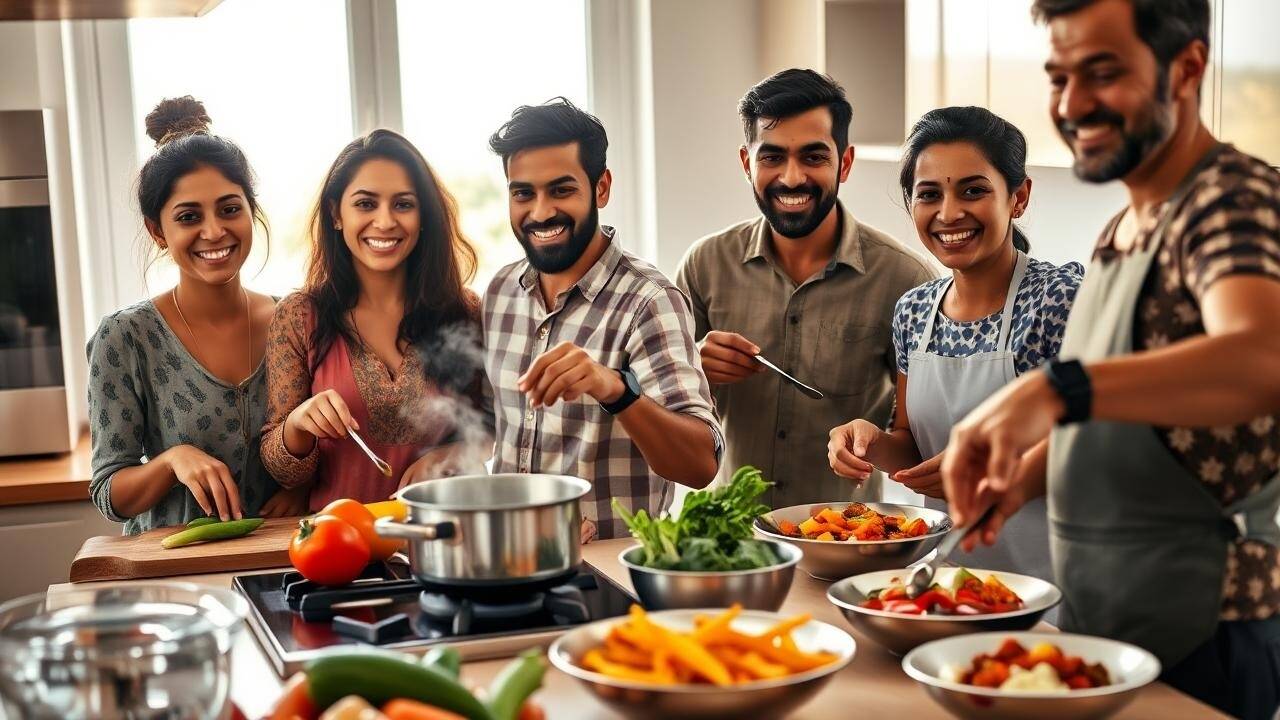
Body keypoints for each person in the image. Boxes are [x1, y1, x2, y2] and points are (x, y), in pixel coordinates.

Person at [941, 1, 1280, 717]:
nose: (1071, 104)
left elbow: (1261, 357)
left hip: (1209, 625)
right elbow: (1127, 415)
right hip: (1111, 617)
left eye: (1102, 73)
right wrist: (1025, 477)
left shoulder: (1229, 200)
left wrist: (1054, 390)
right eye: (1059, 76)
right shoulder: (1121, 229)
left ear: (1186, 69)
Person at [826, 107, 1082, 582]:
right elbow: (914, 451)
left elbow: (1096, 445)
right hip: (948, 581)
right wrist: (871, 441)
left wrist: (986, 472)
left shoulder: (1058, 299)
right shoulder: (914, 311)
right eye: (929, 195)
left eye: (973, 190)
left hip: (1054, 582)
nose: (949, 213)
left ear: (1019, 196)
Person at [675, 69, 934, 509]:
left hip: (844, 541)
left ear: (844, 163)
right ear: (746, 163)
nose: (792, 178)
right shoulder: (704, 265)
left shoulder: (907, 281)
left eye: (813, 157)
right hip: (726, 544)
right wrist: (693, 369)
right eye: (771, 157)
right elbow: (666, 414)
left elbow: (918, 443)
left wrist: (872, 443)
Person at [484, 98, 722, 542]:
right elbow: (485, 428)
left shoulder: (649, 301)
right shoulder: (499, 293)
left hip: (606, 581)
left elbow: (700, 465)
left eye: (561, 189)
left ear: (601, 187)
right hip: (505, 566)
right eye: (523, 193)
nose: (539, 212)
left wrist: (613, 387)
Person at [87, 96, 302, 533]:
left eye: (229, 209)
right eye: (188, 216)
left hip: (282, 562)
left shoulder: (295, 319)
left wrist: (302, 486)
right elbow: (109, 493)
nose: (214, 231)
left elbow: (319, 443)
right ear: (157, 231)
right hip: (171, 570)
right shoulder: (126, 337)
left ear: (251, 210)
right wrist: (171, 461)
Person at [260, 130, 487, 510]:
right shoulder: (300, 315)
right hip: (337, 548)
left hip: (445, 542)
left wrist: (449, 456)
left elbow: (499, 431)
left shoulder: (465, 311)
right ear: (336, 213)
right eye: (365, 204)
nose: (384, 222)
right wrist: (299, 423)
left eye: (403, 204)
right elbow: (282, 472)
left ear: (424, 216)